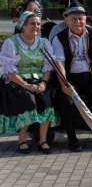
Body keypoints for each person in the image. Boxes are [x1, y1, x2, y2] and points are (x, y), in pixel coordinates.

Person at [52, 2, 92, 152]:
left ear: (86, 19)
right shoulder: (59, 38)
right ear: (67, 20)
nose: (77, 22)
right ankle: (71, 138)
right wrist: (65, 84)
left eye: (81, 18)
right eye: (73, 18)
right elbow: (59, 63)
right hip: (71, 78)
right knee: (65, 96)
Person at [0, 11, 60, 154]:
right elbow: (10, 70)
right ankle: (22, 140)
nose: (36, 26)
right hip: (17, 80)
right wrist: (26, 85)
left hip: (39, 80)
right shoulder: (12, 42)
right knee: (27, 100)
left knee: (47, 99)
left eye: (38, 24)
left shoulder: (43, 42)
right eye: (32, 23)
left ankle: (43, 140)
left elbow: (48, 65)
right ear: (23, 26)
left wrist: (44, 83)